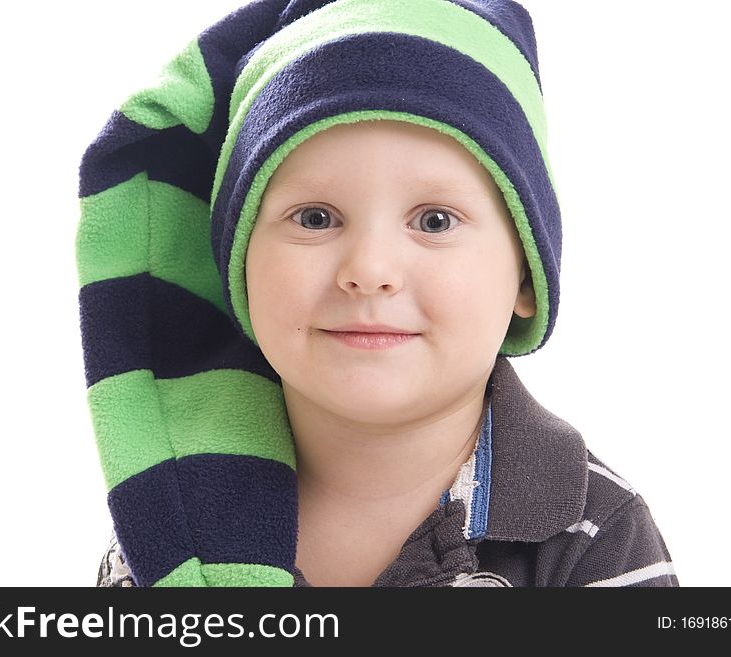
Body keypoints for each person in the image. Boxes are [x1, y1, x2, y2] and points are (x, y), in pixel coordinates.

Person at [78, 0, 677, 587]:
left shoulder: (595, 535)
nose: (369, 269)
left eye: (435, 221)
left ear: (527, 274)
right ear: (237, 268)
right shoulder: (168, 517)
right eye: (315, 218)